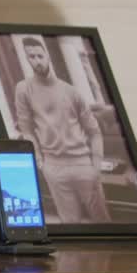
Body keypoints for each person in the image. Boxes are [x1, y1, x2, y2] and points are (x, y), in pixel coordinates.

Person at [13, 36, 108, 222]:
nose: (36, 61)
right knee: (70, 226)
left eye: (39, 56)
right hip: (53, 167)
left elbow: (94, 132)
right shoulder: (23, 89)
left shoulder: (71, 92)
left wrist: (96, 166)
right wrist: (41, 162)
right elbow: (27, 129)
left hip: (82, 164)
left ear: (47, 56)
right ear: (27, 59)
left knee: (102, 222)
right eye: (31, 57)